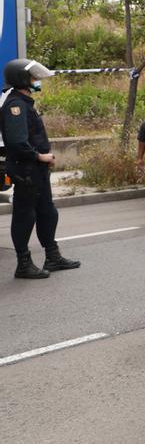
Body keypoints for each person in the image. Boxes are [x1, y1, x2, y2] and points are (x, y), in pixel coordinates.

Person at [0, 59, 81, 279]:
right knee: (25, 216)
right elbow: (17, 142)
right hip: (26, 170)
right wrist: (40, 156)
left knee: (47, 213)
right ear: (21, 80)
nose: (36, 81)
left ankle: (52, 257)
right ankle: (23, 264)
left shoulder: (25, 103)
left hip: (36, 170)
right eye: (33, 78)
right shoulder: (15, 106)